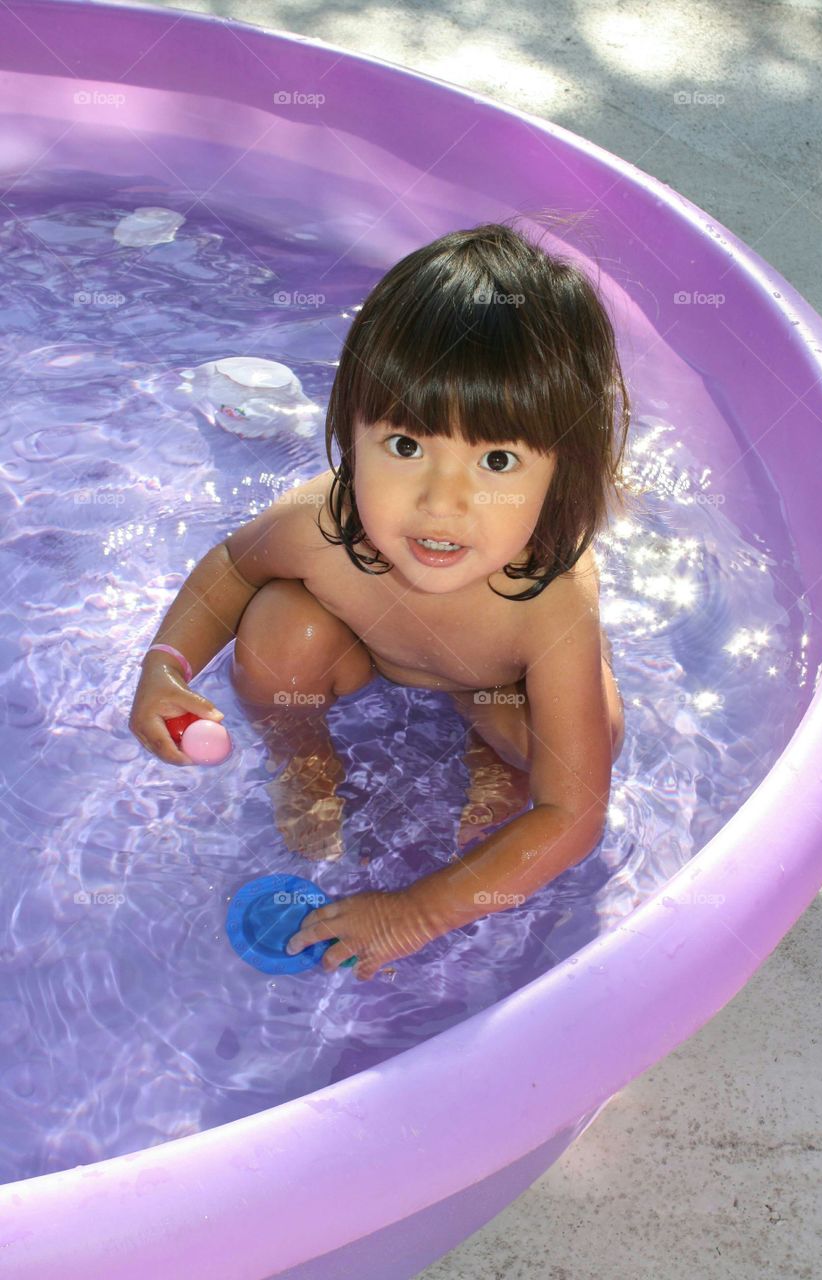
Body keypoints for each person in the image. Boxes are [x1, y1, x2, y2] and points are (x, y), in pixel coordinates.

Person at [129, 218, 640, 981]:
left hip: (496, 685)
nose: (441, 501)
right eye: (405, 447)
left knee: (561, 746)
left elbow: (573, 817)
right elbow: (230, 570)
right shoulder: (321, 525)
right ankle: (304, 759)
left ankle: (484, 751)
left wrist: (418, 911)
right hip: (367, 652)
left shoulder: (550, 601)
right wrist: (166, 670)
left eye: (496, 459)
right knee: (274, 628)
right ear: (350, 433)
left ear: (560, 474)